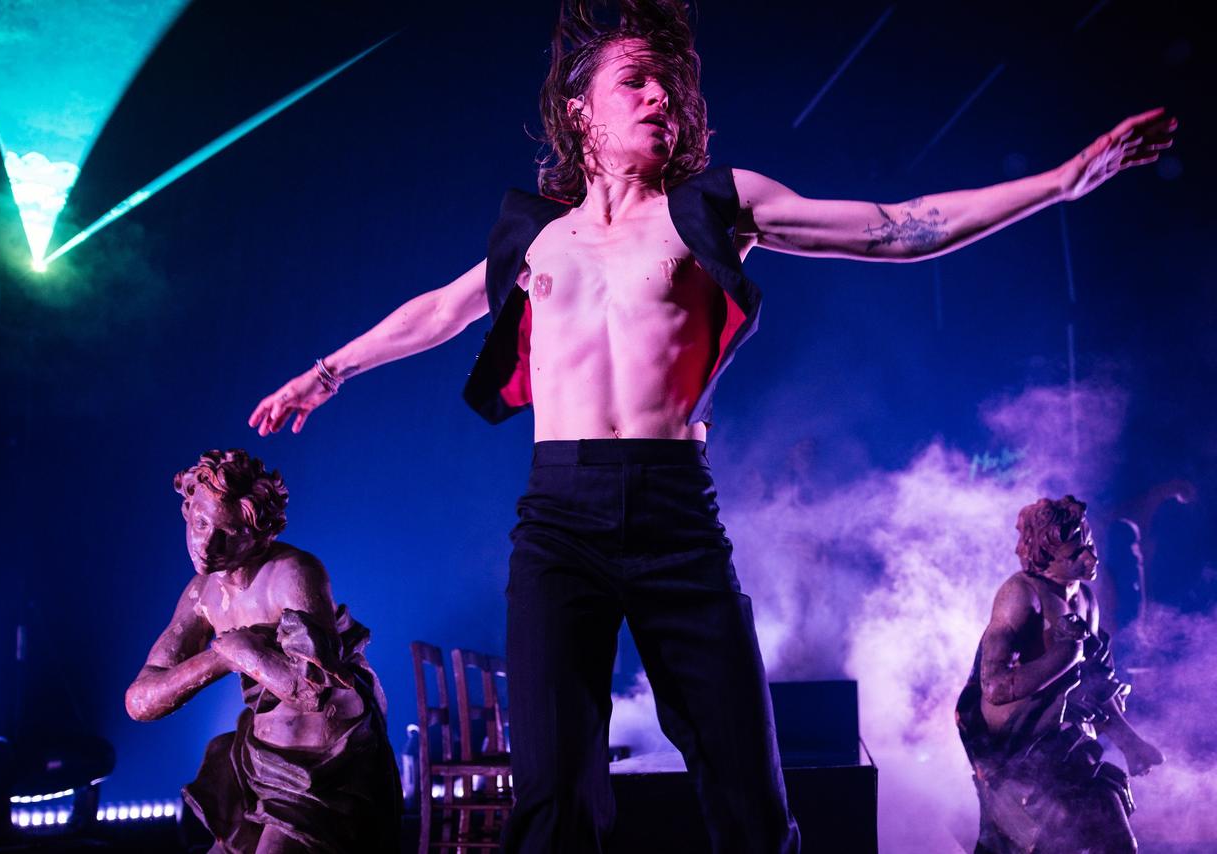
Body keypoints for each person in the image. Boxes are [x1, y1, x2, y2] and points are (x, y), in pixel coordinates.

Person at [247, 3, 1175, 851]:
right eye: (634, 82)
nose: (660, 98)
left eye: (668, 86)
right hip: (557, 521)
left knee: (747, 790)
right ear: (582, 114)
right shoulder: (538, 236)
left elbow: (895, 228)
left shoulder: (715, 208)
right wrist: (329, 371)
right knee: (553, 792)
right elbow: (439, 311)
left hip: (673, 515)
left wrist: (1059, 183)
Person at [126, 449, 400, 854]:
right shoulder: (202, 594)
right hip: (260, 763)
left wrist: (248, 653)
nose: (207, 544)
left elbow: (312, 689)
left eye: (230, 532)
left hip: (324, 773)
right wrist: (222, 655)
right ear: (187, 511)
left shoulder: (292, 573)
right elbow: (140, 701)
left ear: (260, 534)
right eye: (200, 523)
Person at [955, 496, 1166, 853]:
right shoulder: (1020, 596)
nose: (1091, 559)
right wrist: (1064, 655)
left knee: (1119, 842)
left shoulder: (1085, 598)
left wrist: (1130, 743)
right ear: (1045, 558)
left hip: (1070, 748)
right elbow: (994, 686)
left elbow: (1095, 684)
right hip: (1019, 758)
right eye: (1075, 554)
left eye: (1090, 546)